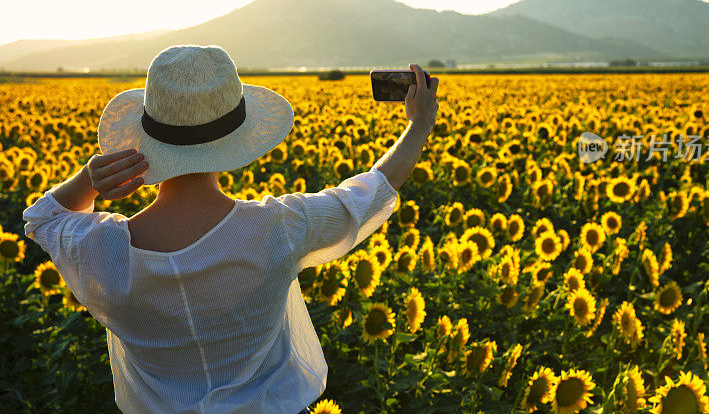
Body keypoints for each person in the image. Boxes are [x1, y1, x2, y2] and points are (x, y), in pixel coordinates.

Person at [22, 45, 439, 414]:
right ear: (236, 138)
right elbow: (366, 195)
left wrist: (87, 181)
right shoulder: (278, 228)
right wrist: (418, 126)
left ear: (150, 138)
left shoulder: (102, 249)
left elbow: (42, 218)